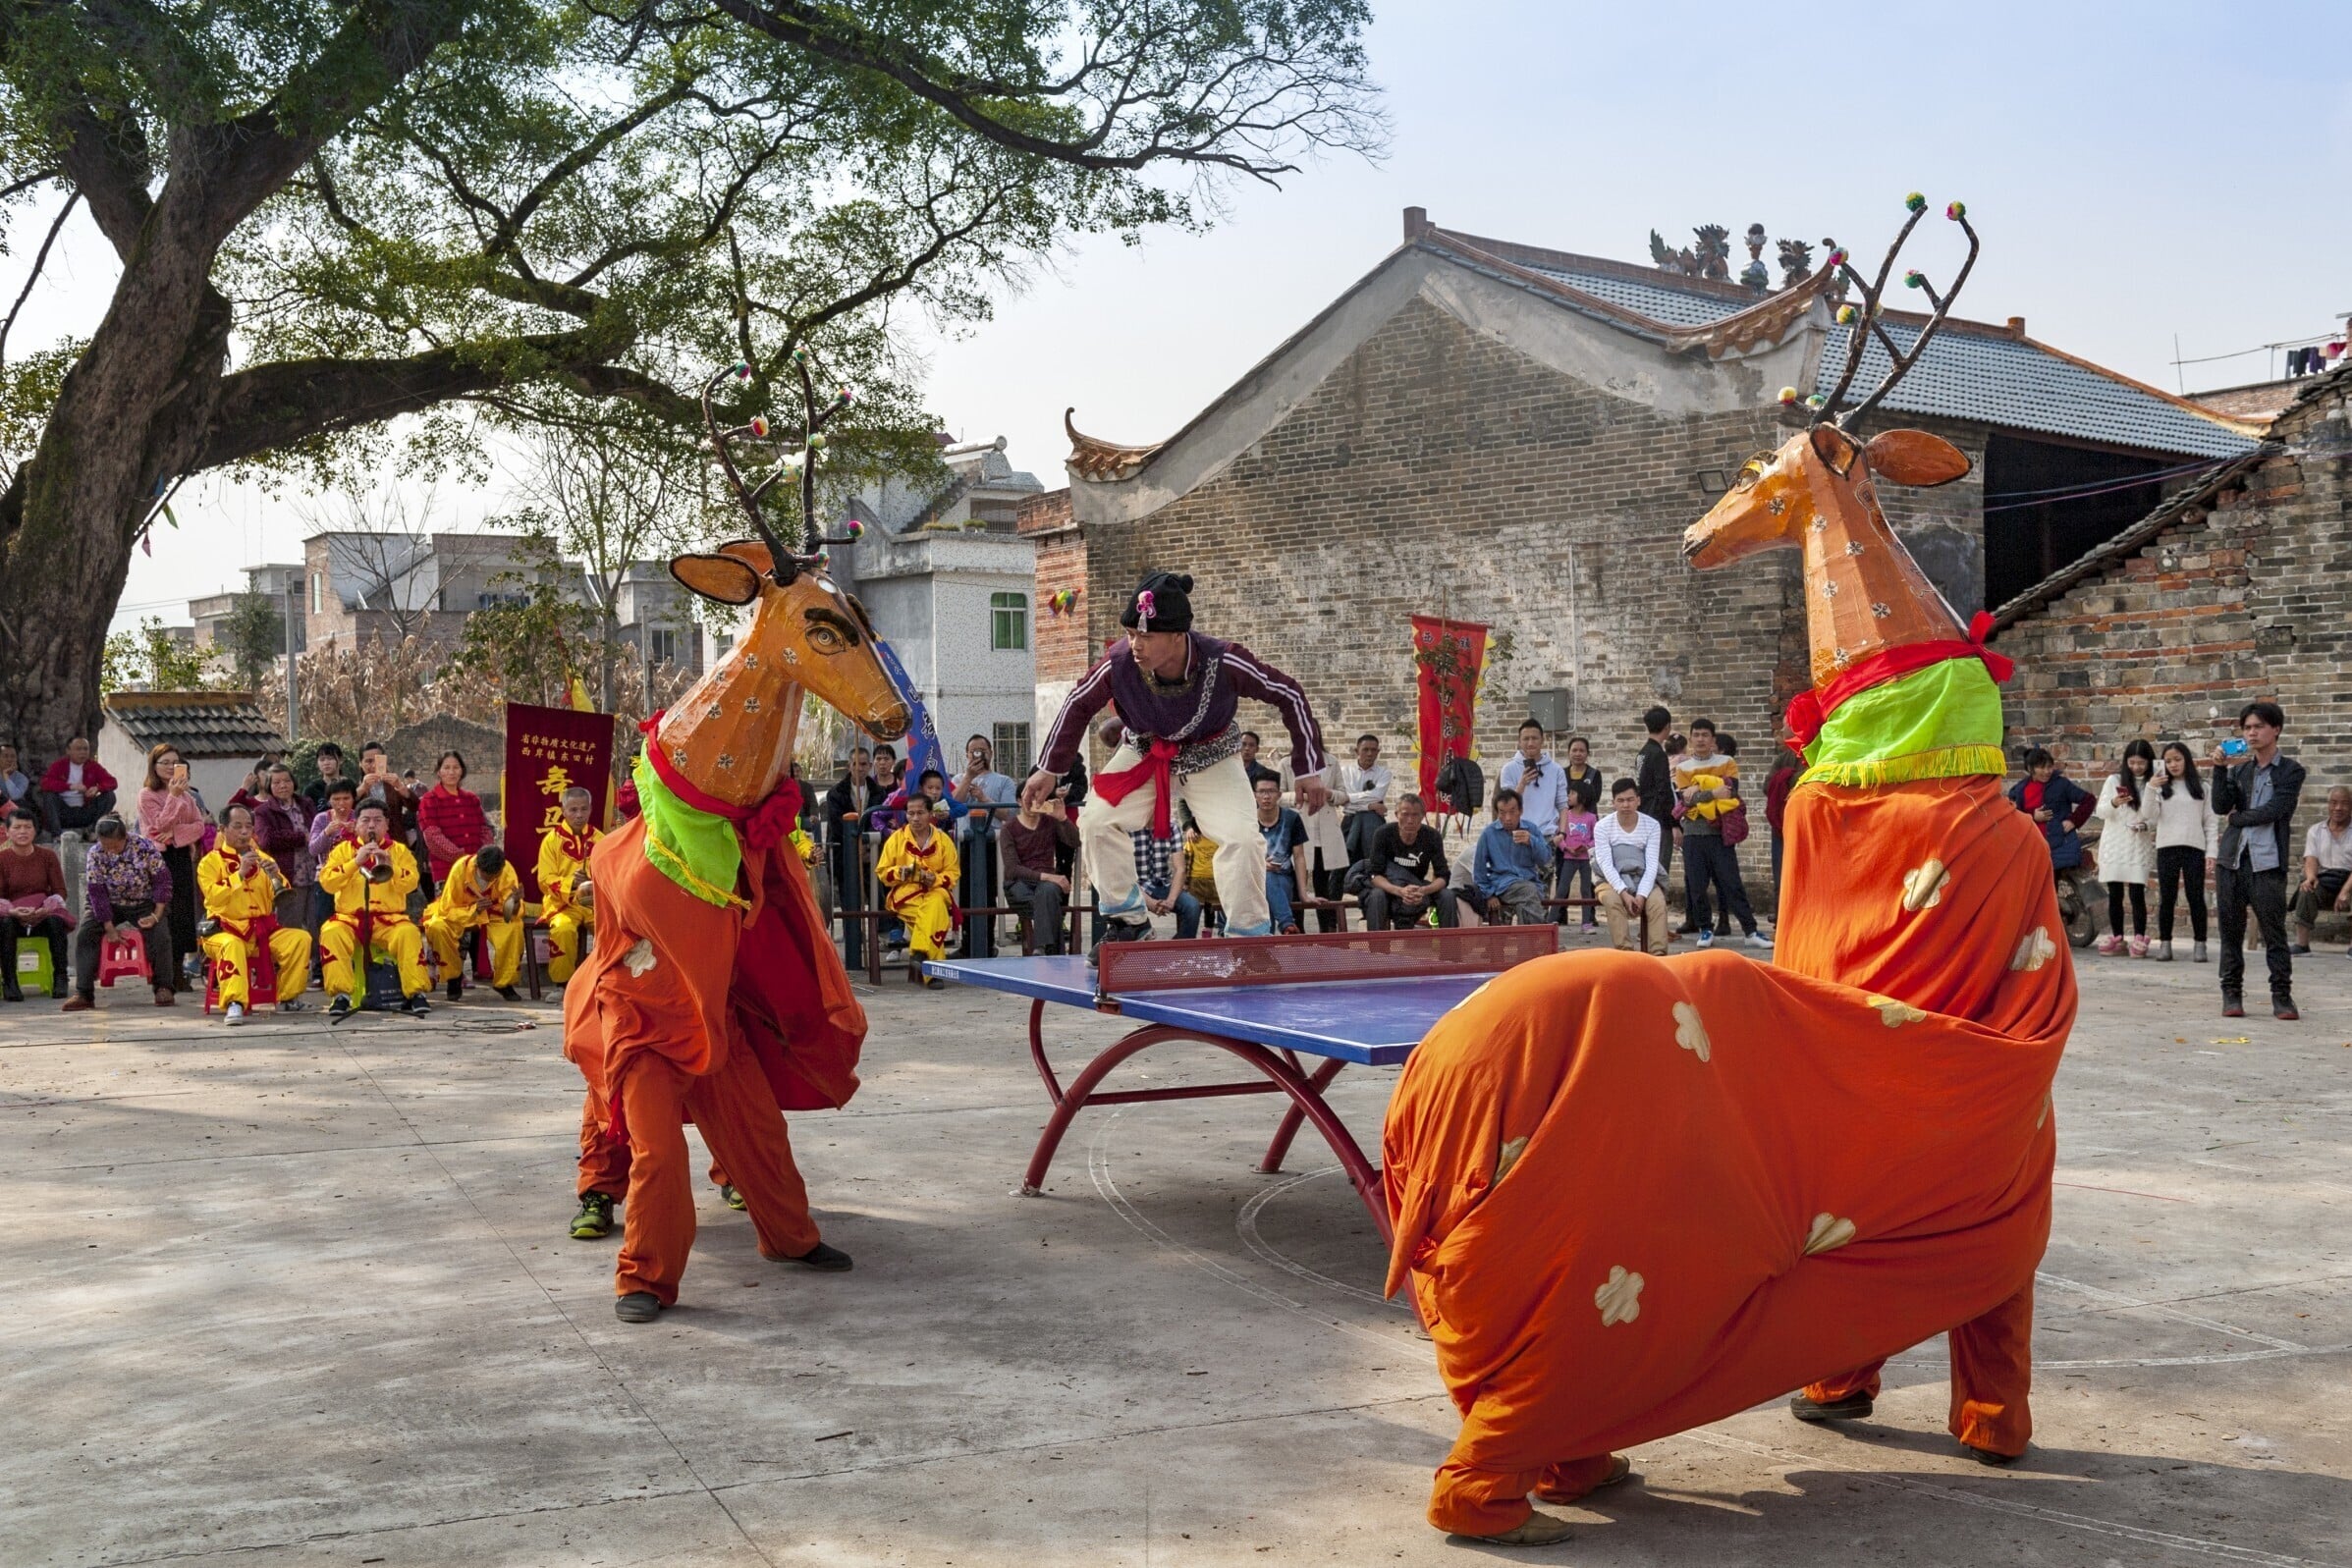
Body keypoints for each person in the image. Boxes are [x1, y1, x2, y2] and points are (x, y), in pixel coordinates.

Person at [1023, 571, 1329, 946]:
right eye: (1132, 634)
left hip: (1211, 757)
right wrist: (1048, 769)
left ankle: (1248, 938)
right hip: (1144, 753)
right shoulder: (1119, 661)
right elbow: (1077, 703)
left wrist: (1308, 768)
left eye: (1146, 636)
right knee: (1097, 821)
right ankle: (1129, 922)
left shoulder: (1224, 660)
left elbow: (1289, 694)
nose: (1135, 644)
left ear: (1178, 635)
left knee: (1242, 840)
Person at [2208, 702, 2305, 1020]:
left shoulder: (2291, 771)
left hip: (2268, 863)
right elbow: (2222, 806)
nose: (2252, 732)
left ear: (2275, 729)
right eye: (2247, 727)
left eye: (2258, 726)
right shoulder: (2240, 771)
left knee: (2274, 933)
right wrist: (2219, 770)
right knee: (2230, 932)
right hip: (2232, 862)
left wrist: (2239, 820)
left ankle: (2282, 997)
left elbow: (2277, 810)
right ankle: (2231, 994)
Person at [197, 803, 313, 1023]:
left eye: (248, 827)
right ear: (223, 829)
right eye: (237, 826)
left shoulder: (262, 858)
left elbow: (280, 894)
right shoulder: (209, 862)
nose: (244, 832)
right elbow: (213, 897)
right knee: (232, 945)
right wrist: (239, 874)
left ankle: (289, 997)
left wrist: (275, 876)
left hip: (262, 929)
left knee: (300, 939)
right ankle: (234, 1003)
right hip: (223, 930)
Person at [316, 800, 431, 1017]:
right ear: (356, 824)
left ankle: (416, 993)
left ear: (387, 825)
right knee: (331, 933)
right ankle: (341, 994)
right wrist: (355, 862)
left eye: (377, 821)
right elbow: (328, 883)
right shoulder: (343, 850)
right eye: (366, 820)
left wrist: (390, 866)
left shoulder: (399, 851)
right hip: (349, 918)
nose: (371, 826)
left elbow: (412, 884)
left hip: (390, 919)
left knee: (409, 933)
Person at [63, 815, 176, 1009]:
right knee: (86, 934)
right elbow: (96, 893)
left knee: (160, 935)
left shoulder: (144, 847)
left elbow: (162, 882)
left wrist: (156, 914)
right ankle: (84, 993)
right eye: (107, 847)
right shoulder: (95, 854)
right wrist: (109, 927)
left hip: (143, 901)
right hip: (109, 902)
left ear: (125, 837)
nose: (111, 851)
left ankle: (163, 987)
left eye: (115, 846)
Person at [1674, 720, 1769, 949]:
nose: (1700, 739)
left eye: (1705, 735)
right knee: (1697, 885)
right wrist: (1710, 791)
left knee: (1731, 882)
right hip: (1694, 833)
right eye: (1696, 735)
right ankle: (1705, 929)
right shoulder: (1682, 768)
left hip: (1720, 833)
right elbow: (1684, 801)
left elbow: (1729, 792)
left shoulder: (1727, 762)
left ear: (1713, 740)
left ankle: (1750, 930)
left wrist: (1697, 788)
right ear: (1690, 739)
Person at [137, 743, 209, 991]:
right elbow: (157, 826)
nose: (170, 768)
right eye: (164, 763)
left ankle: (179, 971)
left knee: (182, 915)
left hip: (180, 856)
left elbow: (199, 825)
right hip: (158, 858)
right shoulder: (147, 795)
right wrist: (173, 798)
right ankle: (162, 975)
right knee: (161, 913)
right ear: (154, 766)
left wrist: (176, 835)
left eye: (175, 763)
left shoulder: (188, 796)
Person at [424, 843, 524, 1001]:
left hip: (494, 913)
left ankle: (504, 982)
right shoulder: (460, 869)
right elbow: (447, 908)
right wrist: (474, 910)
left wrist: (516, 902)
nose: (492, 879)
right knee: (438, 927)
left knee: (514, 928)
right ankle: (453, 977)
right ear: (477, 866)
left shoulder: (506, 869)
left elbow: (509, 910)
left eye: (495, 876)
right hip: (461, 912)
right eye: (487, 876)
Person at [876, 793, 958, 984]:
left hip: (935, 891)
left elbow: (953, 872)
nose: (915, 818)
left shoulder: (943, 840)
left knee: (933, 906)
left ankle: (921, 955)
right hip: (906, 895)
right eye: (911, 813)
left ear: (930, 813)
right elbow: (882, 872)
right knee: (936, 915)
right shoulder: (896, 839)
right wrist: (901, 872)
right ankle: (932, 971)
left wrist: (935, 878)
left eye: (920, 813)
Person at [2090, 739, 2160, 957]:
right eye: (2132, 762)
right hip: (2114, 843)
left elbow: (2156, 815)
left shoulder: (2155, 783)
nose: (2137, 767)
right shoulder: (2114, 780)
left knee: (2137, 892)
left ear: (2149, 762)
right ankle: (2117, 937)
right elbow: (2100, 812)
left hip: (2138, 843)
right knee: (2115, 894)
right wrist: (2114, 803)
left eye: (2141, 763)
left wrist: (2145, 825)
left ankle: (2139, 937)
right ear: (2126, 761)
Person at [2151, 741, 2217, 963]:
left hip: (2194, 847)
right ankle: (2165, 944)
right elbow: (2148, 817)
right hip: (2167, 847)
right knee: (2167, 898)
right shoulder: (2159, 787)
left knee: (2196, 897)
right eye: (2168, 761)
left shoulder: (2202, 787)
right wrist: (2151, 788)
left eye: (2178, 759)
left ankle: (2200, 944)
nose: (2173, 764)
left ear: (2187, 760)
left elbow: (2210, 822)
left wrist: (2211, 853)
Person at [1593, 777, 1667, 955]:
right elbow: (1605, 864)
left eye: (1630, 799)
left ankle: (1659, 955)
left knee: (1657, 903)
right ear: (1613, 803)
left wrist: (1641, 895)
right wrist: (1624, 893)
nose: (1626, 805)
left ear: (1638, 800)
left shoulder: (1652, 825)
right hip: (1609, 879)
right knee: (1612, 901)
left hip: (1642, 877)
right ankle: (1625, 953)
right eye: (1621, 800)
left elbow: (1651, 865)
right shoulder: (1602, 826)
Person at [999, 791, 1079, 954]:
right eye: (1029, 798)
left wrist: (1063, 819)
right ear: (1019, 801)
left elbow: (1074, 841)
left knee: (1047, 892)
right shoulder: (1008, 828)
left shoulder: (1050, 822)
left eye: (1038, 798)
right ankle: (1054, 953)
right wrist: (1049, 876)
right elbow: (1013, 869)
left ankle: (1041, 948)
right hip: (1019, 884)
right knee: (1049, 903)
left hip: (1045, 886)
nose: (1033, 803)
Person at [1362, 794, 1458, 930]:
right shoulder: (1383, 834)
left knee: (1447, 896)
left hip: (1418, 886)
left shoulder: (1432, 836)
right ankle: (1377, 948)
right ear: (1397, 815)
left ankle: (1450, 947)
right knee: (1376, 896)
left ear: (1422, 816)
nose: (1410, 820)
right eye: (1405, 815)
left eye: (1415, 815)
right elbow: (1374, 875)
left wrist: (1423, 890)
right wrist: (1399, 891)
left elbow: (1443, 876)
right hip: (1390, 886)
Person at [0, 813, 70, 1000]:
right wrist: (12, 911)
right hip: (13, 916)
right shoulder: (2, 858)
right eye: (17, 827)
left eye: (28, 827)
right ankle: (10, 983)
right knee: (5, 924)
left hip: (42, 914)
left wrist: (45, 909)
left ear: (35, 830)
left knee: (56, 921)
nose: (23, 831)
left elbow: (60, 891)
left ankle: (61, 978)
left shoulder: (48, 856)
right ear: (7, 832)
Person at [536, 786, 601, 984]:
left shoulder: (600, 839)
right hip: (563, 905)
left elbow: (611, 873)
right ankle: (562, 983)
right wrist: (571, 882)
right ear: (563, 811)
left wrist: (591, 879)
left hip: (594, 904)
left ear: (590, 809)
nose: (579, 815)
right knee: (563, 929)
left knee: (610, 929)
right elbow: (544, 879)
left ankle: (605, 979)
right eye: (573, 810)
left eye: (583, 809)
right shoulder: (551, 841)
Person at [1468, 787, 1556, 926]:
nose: (1507, 818)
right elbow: (1479, 871)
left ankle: (1526, 944)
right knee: (1529, 891)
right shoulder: (1489, 834)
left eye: (1512, 812)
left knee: (1525, 902)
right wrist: (1489, 894)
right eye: (1502, 813)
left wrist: (1531, 841)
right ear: (1497, 813)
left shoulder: (1531, 829)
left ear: (1520, 811)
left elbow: (1545, 859)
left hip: (1529, 883)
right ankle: (1538, 940)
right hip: (1502, 885)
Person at [2009, 748, 2094, 885]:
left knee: (2050, 886)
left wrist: (2073, 821)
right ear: (2031, 769)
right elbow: (2012, 814)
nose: (2047, 771)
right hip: (2031, 846)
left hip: (2057, 844)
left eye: (2049, 767)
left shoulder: (2061, 784)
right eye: (2041, 767)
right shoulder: (2020, 789)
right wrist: (2032, 816)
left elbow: (2089, 800)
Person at [250, 764, 314, 933]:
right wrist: (301, 837)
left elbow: (318, 831)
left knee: (317, 927)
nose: (283, 785)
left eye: (287, 781)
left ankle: (317, 960)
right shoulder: (263, 812)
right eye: (277, 782)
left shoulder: (306, 804)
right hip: (289, 876)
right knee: (290, 927)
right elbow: (266, 840)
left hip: (315, 874)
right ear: (269, 786)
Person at [2289, 784, 2352, 957]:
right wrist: (2310, 877)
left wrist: (2345, 891)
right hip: (2325, 879)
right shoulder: (2316, 830)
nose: (2338, 808)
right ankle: (2302, 945)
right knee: (2306, 889)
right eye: (2333, 803)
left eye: (2344, 803)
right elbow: (2311, 858)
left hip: (2349, 880)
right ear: (2328, 805)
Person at [416, 750, 491, 887]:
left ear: (462, 771)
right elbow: (432, 836)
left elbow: (484, 829)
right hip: (447, 871)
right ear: (439, 772)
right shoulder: (430, 799)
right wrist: (460, 856)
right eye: (446, 768)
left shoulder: (471, 799)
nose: (452, 772)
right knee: (449, 907)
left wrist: (483, 856)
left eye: (456, 768)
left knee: (478, 906)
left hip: (477, 869)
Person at [1253, 775, 1312, 933]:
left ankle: (1268, 942)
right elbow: (1241, 855)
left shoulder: (1291, 818)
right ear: (1254, 795)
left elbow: (1299, 857)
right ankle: (1287, 924)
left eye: (1271, 791)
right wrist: (1261, 865)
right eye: (1262, 792)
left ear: (1279, 794)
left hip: (1283, 878)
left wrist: (1303, 893)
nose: (1266, 796)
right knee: (1266, 880)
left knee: (1270, 881)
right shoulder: (1247, 820)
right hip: (1252, 878)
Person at [308, 779, 361, 936]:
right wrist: (326, 833)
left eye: (346, 798)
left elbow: (373, 843)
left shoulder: (360, 818)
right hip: (327, 878)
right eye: (336, 799)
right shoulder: (322, 819)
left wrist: (358, 833)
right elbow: (312, 849)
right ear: (329, 800)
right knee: (325, 921)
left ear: (353, 799)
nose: (341, 804)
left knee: (354, 922)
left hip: (354, 878)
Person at [39, 736, 118, 838]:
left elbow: (112, 782)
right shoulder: (59, 765)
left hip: (85, 811)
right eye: (78, 749)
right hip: (63, 812)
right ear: (68, 750)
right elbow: (45, 783)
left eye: (85, 749)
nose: (83, 752)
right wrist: (70, 787)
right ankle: (57, 835)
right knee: (48, 796)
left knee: (110, 796)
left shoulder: (93, 766)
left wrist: (98, 788)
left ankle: (93, 831)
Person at [1337, 733, 1392, 867]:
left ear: (1378, 752)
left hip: (1373, 821)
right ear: (1357, 751)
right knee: (1344, 862)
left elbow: (1376, 796)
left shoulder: (1384, 773)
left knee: (1373, 857)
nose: (1369, 754)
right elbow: (1343, 802)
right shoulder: (1345, 772)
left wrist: (1350, 798)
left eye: (1373, 750)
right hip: (1350, 820)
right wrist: (1370, 806)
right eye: (1365, 750)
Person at [1634, 707, 1675, 881]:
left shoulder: (1642, 753)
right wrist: (1672, 823)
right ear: (1667, 727)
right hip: (1658, 819)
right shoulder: (1658, 754)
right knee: (1658, 868)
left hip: (1643, 815)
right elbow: (1663, 790)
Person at [1764, 745, 1802, 901]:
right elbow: (1767, 785)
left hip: (1805, 822)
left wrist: (1784, 778)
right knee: (1781, 876)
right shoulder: (1784, 757)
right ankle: (1781, 918)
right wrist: (1790, 778)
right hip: (1782, 823)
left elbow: (1813, 780)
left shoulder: (1819, 752)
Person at [301, 741, 349, 809]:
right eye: (322, 760)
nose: (326, 763)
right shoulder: (311, 789)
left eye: (330, 758)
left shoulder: (349, 786)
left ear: (341, 760)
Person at [0, 744, 31, 820]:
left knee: (21, 803)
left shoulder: (22, 778)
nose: (9, 759)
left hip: (13, 812)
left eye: (13, 756)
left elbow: (15, 796)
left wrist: (6, 776)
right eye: (6, 756)